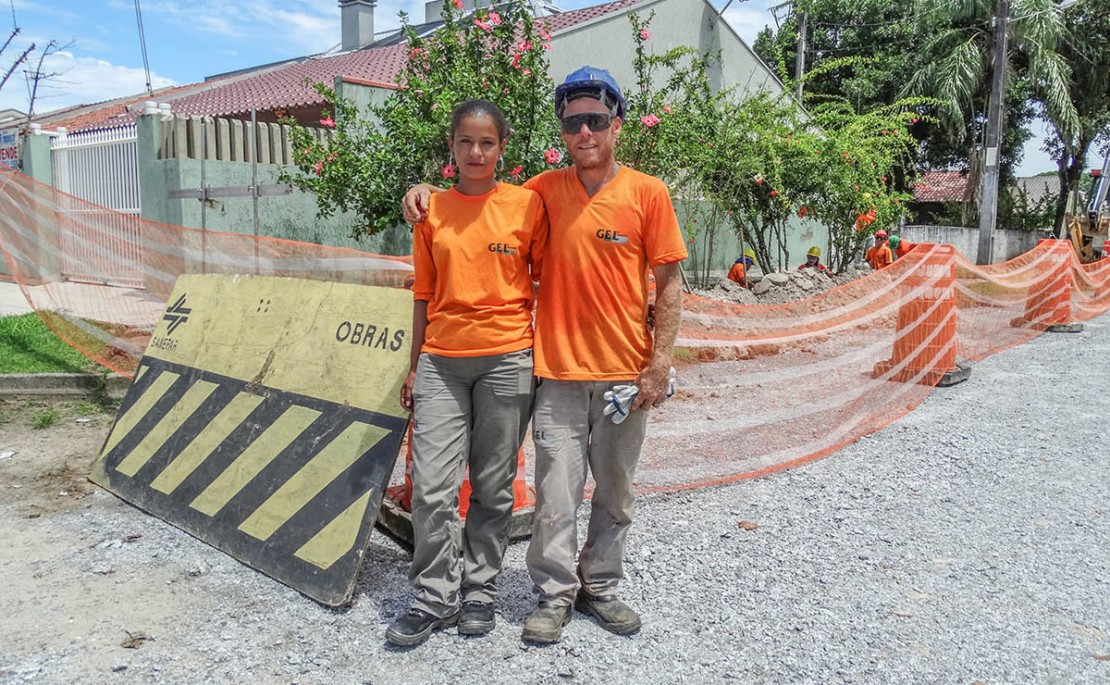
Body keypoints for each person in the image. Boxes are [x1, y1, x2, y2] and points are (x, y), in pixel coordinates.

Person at [402, 66, 687, 645]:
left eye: (596, 121)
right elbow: (478, 202)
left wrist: (659, 364)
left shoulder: (647, 193)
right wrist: (424, 190)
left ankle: (600, 586)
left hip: (624, 374)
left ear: (616, 126)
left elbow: (670, 281)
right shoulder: (540, 192)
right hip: (554, 372)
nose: (584, 132)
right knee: (556, 497)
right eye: (573, 122)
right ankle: (553, 597)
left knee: (616, 492)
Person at [385, 99, 548, 648]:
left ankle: (479, 591)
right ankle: (434, 595)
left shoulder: (527, 207)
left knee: (494, 485)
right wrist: (413, 366)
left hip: (508, 359)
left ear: (502, 149)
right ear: (451, 147)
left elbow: (547, 283)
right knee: (431, 488)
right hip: (442, 362)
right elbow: (423, 293)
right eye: (465, 142)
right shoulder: (430, 211)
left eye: (487, 143)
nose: (476, 152)